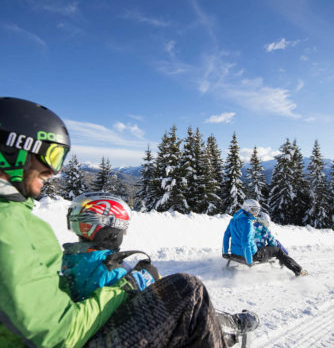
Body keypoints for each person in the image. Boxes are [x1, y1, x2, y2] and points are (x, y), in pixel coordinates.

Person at [0, 97, 258, 348]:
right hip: (74, 336)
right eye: (52, 156)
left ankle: (223, 329)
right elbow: (57, 333)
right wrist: (128, 285)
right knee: (187, 290)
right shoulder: (7, 226)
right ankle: (226, 330)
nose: (53, 171)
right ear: (12, 150)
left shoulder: (18, 220)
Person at [62, 191, 159, 302]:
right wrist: (146, 278)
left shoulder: (72, 257)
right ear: (111, 231)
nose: (124, 233)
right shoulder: (111, 270)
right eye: (123, 228)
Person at [222, 199, 307, 277]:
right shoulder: (248, 223)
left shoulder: (233, 220)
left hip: (235, 252)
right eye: (254, 210)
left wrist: (225, 252)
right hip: (252, 255)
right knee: (278, 250)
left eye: (257, 210)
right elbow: (245, 242)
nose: (256, 213)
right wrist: (249, 261)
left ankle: (292, 266)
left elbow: (226, 235)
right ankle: (298, 271)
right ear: (247, 209)